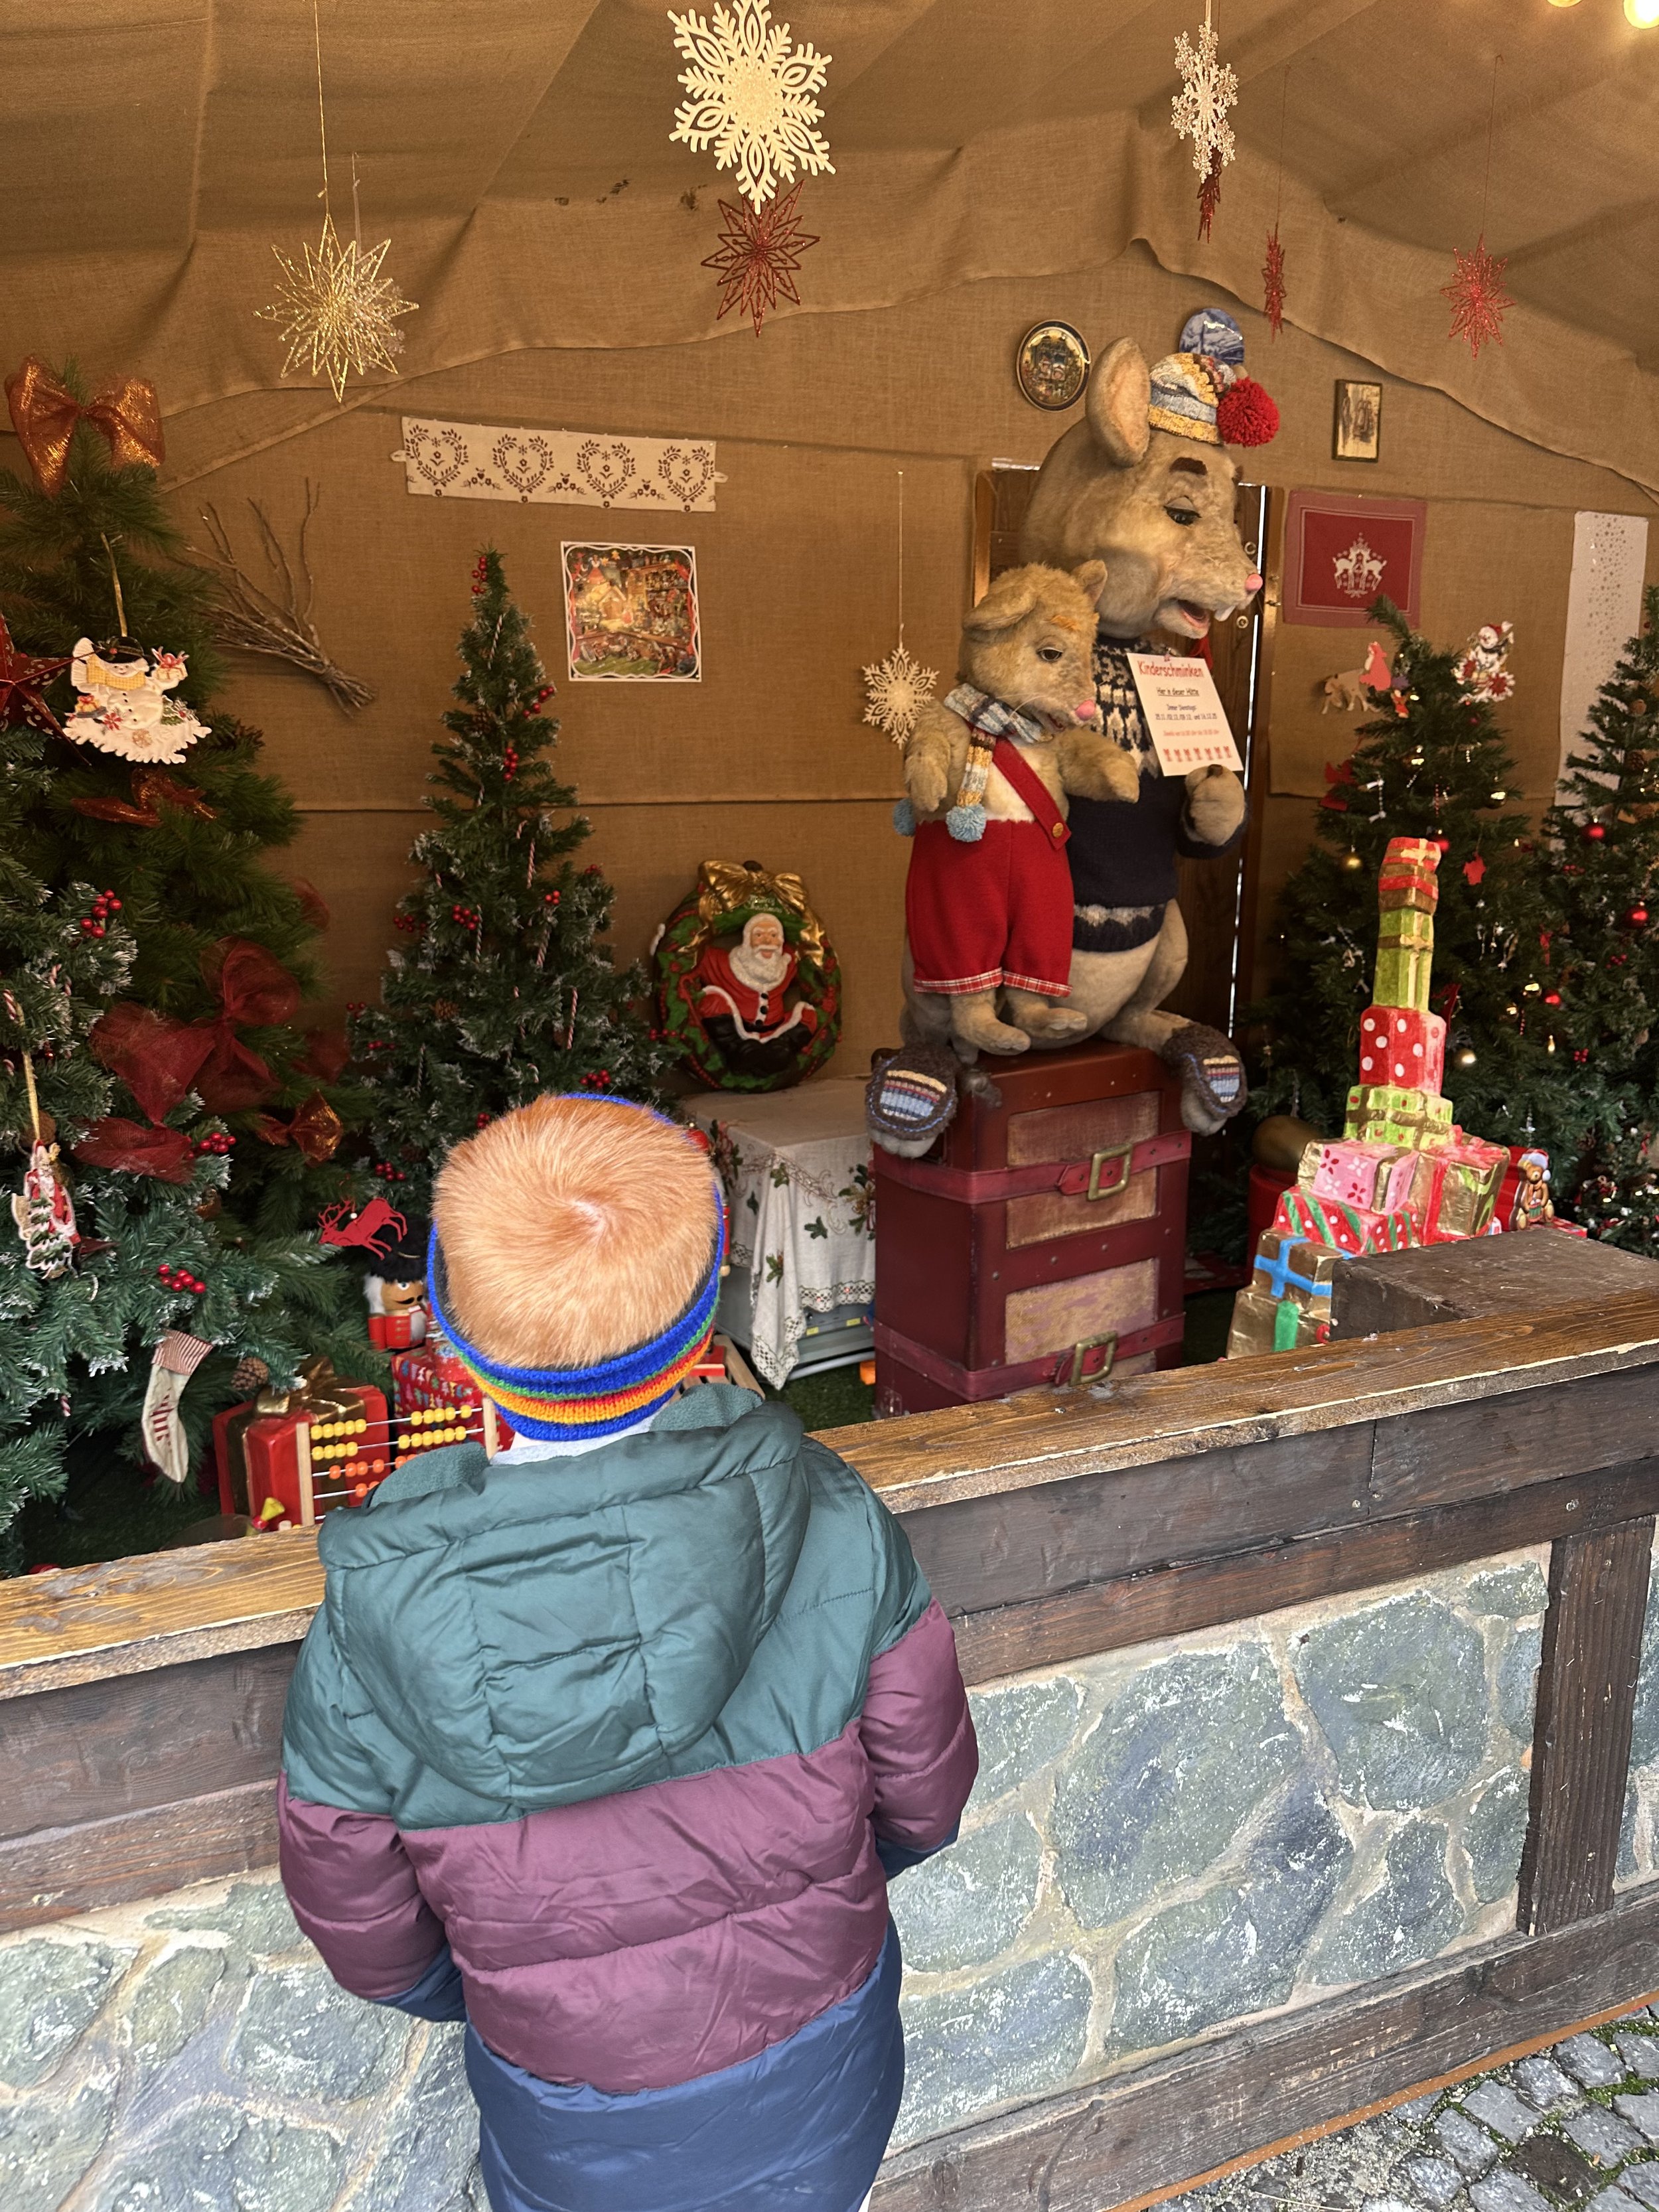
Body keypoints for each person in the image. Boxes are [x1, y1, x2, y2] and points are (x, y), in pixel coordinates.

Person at [277, 1093, 977, 2212]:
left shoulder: (371, 1613)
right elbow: (926, 1796)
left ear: (456, 1340)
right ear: (701, 1326)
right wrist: (815, 1895)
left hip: (566, 2098)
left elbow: (366, 1928)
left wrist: (513, 1993)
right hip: (821, 2051)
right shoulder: (835, 1515)